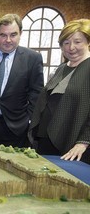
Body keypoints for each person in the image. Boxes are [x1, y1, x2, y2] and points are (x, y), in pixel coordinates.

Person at [29, 19, 90, 164]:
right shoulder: (62, 68)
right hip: (46, 139)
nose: (71, 47)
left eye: (77, 42)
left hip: (73, 144)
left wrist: (84, 142)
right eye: (66, 42)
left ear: (88, 42)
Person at [0, 14, 44, 148]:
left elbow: (36, 94)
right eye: (3, 35)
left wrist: (27, 121)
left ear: (20, 34)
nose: (8, 40)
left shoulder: (33, 58)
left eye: (13, 35)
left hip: (16, 128)